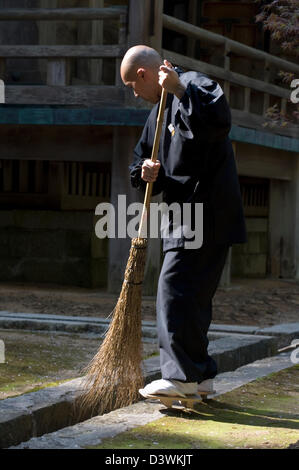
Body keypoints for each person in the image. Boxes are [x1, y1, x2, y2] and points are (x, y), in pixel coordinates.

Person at [120, 45, 247, 398]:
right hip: (185, 214)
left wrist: (178, 89)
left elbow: (218, 122)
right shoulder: (155, 115)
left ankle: (179, 377)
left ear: (144, 75)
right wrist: (145, 172)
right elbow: (142, 160)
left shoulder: (194, 84)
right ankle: (200, 376)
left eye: (133, 85)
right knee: (194, 297)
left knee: (174, 288)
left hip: (206, 210)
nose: (135, 93)